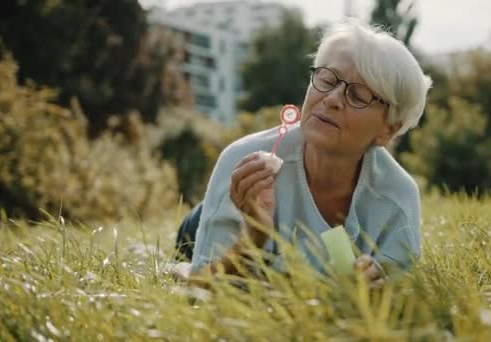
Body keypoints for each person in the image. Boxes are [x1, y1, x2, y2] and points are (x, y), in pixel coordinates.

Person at [179, 19, 432, 287]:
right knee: (180, 262)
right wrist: (254, 235)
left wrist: (376, 286)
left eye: (358, 96)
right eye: (326, 79)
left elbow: (400, 290)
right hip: (208, 221)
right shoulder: (244, 160)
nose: (332, 99)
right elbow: (201, 285)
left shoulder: (397, 197)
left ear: (388, 130)